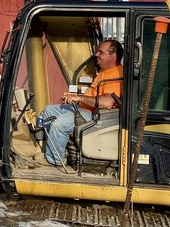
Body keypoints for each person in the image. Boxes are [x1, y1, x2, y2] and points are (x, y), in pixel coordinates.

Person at [37, 39, 123, 168]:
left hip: (97, 116)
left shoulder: (117, 74)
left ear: (113, 56)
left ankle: (55, 160)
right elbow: (95, 95)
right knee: (49, 110)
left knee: (58, 124)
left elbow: (107, 103)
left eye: (101, 52)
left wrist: (80, 98)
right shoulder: (104, 71)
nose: (96, 55)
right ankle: (54, 148)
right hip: (85, 110)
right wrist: (75, 98)